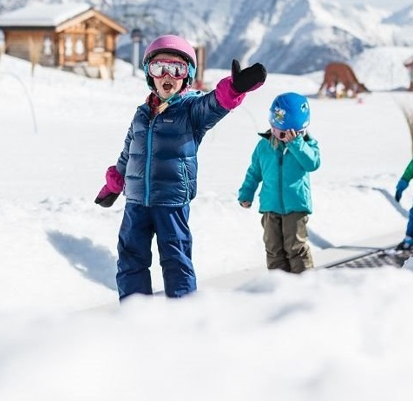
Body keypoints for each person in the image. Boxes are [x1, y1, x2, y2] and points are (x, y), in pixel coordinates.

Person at [94, 34, 267, 300]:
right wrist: (113, 185)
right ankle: (134, 312)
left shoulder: (191, 110)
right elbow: (129, 152)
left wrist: (234, 88)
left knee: (176, 260)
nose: (167, 75)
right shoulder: (141, 114)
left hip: (171, 202)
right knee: (129, 258)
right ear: (149, 74)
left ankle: (184, 312)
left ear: (187, 76)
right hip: (136, 201)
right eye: (159, 67)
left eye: (177, 69)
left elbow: (214, 104)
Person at [238, 93, 321, 273]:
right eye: (281, 132)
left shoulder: (307, 144)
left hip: (296, 205)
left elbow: (312, 163)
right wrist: (246, 193)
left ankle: (306, 283)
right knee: (273, 249)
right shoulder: (264, 146)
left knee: (295, 248)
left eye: (292, 134)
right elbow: (254, 172)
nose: (284, 137)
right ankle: (279, 283)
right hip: (270, 206)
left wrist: (296, 144)